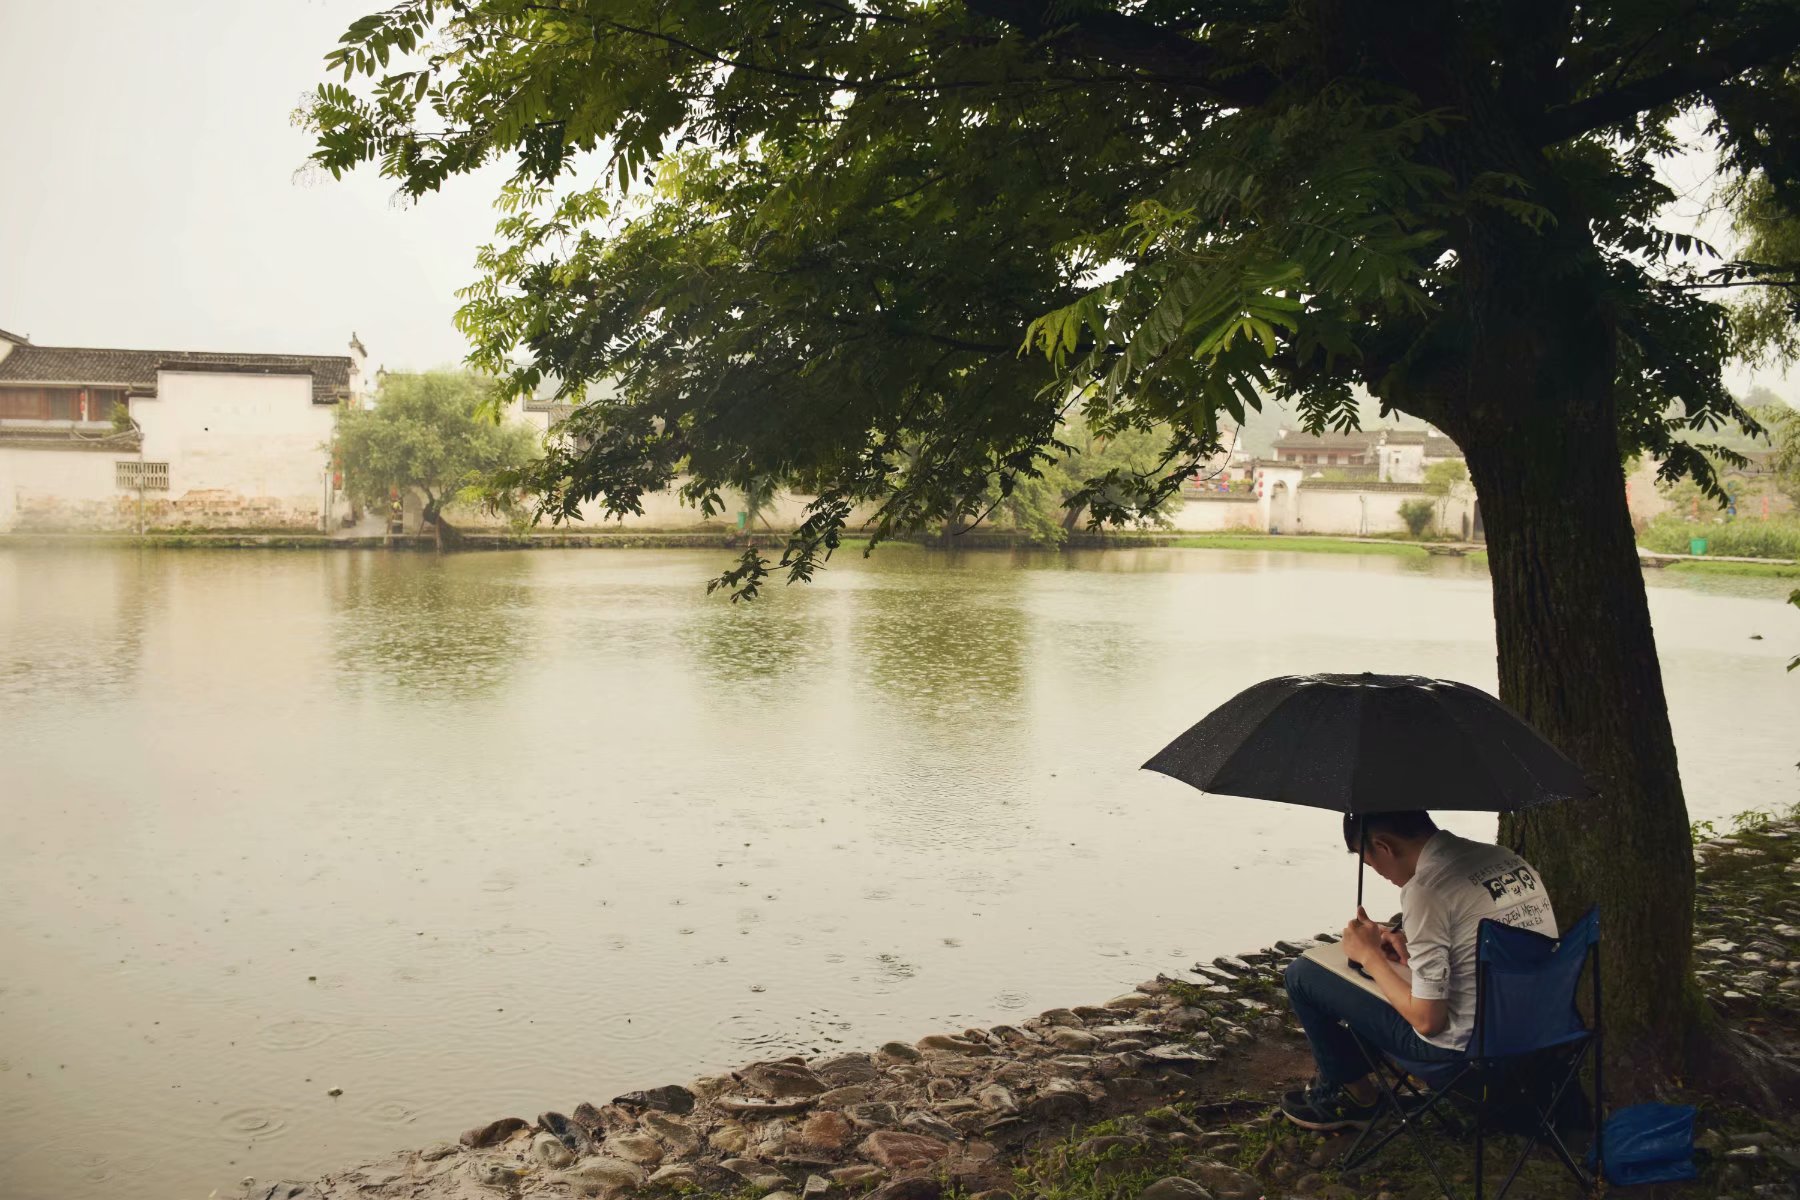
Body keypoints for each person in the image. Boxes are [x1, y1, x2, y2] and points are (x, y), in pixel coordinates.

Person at [1279, 810, 1558, 1131]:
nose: (1379, 873)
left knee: (1303, 975)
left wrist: (1371, 957)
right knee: (1373, 977)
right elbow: (1486, 944)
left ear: (1384, 846)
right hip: (1540, 1033)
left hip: (1468, 1057)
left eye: (1369, 863)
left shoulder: (1427, 890)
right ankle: (1350, 1080)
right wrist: (1412, 948)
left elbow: (1428, 1021)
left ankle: (1355, 1098)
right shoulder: (1506, 860)